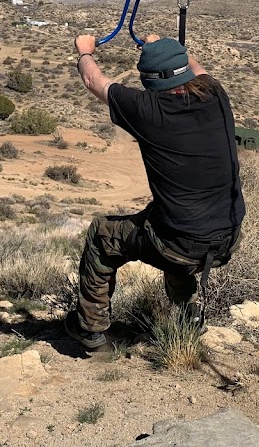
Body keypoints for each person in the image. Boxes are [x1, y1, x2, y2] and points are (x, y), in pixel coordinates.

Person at [64, 32, 245, 351]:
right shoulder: (216, 93)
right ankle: (188, 318)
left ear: (149, 81)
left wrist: (84, 51)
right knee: (162, 220)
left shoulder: (148, 109)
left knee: (102, 235)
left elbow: (94, 81)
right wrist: (165, 46)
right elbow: (196, 66)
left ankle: (90, 330)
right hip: (227, 236)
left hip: (181, 242)